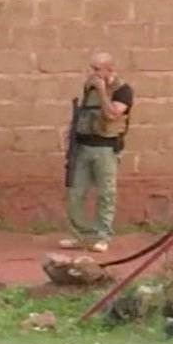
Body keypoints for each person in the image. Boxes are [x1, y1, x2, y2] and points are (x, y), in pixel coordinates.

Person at [62, 52, 132, 253]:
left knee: (106, 193)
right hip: (84, 146)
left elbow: (111, 114)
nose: (92, 73)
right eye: (91, 68)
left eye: (96, 69)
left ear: (109, 69)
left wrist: (102, 92)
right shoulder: (88, 87)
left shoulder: (123, 90)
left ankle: (103, 235)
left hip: (106, 148)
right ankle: (82, 235)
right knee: (75, 192)